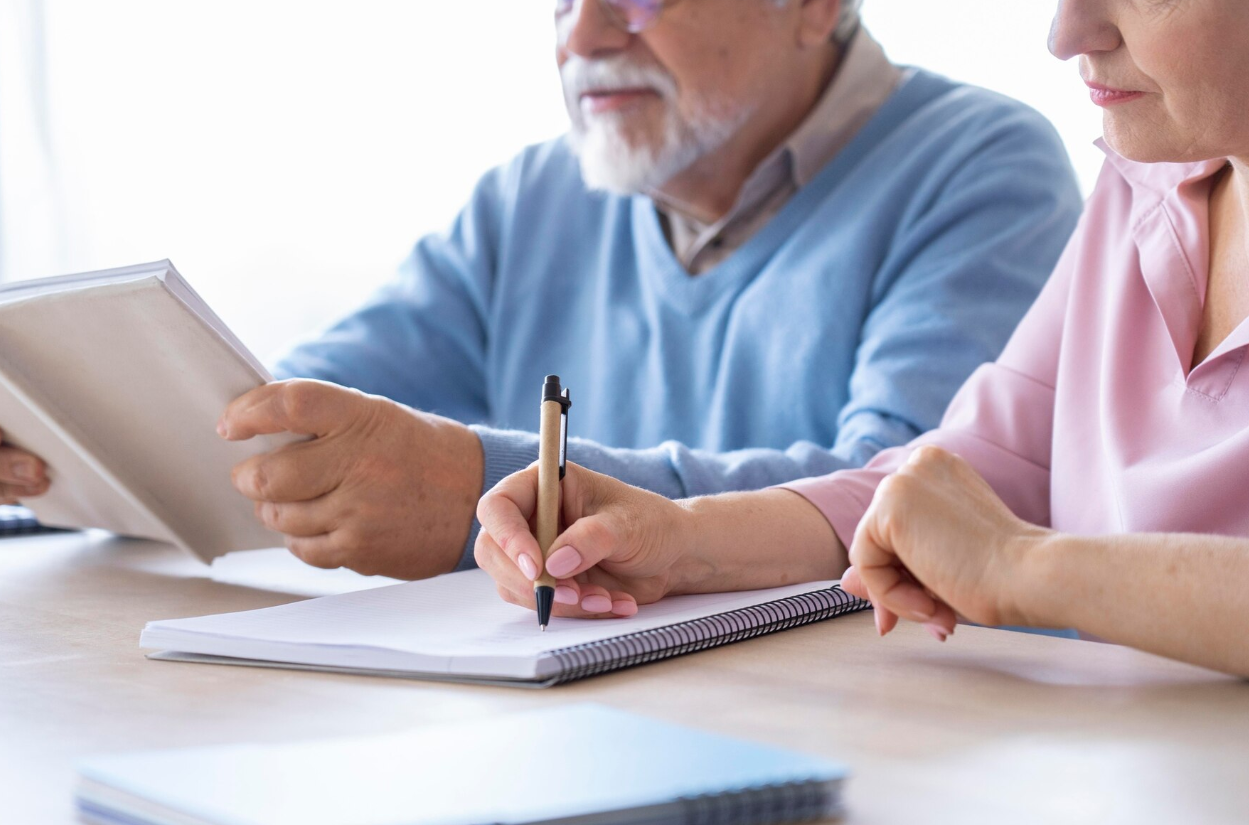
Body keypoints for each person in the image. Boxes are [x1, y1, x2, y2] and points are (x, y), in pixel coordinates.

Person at [0, 0, 1081, 581]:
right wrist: (73, 433)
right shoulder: (532, 195)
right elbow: (293, 416)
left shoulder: (982, 167)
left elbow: (911, 498)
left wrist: (478, 485)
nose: (582, 35)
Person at [474, 0, 1249, 676]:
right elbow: (970, 473)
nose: (1064, 34)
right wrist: (680, 538)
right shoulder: (1143, 184)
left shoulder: (977, 158)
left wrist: (1023, 565)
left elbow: (986, 538)